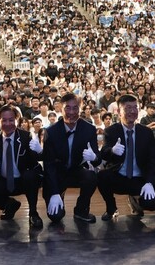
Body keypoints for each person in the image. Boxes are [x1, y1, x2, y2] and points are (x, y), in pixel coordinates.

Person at [0, 104, 43, 229]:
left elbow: (34, 160)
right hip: (3, 179)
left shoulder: (25, 136)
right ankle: (9, 205)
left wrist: (39, 151)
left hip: (23, 179)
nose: (8, 123)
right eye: (4, 120)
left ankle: (33, 213)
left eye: (11, 120)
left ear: (16, 120)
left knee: (30, 176)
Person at [99, 94, 155, 221]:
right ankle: (111, 208)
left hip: (138, 178)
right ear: (119, 112)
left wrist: (150, 182)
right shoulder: (111, 131)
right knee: (102, 176)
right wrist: (112, 151)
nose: (132, 111)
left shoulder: (146, 132)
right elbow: (104, 152)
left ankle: (135, 201)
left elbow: (153, 160)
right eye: (127, 108)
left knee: (152, 204)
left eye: (135, 107)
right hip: (118, 175)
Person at [42, 92, 100, 223]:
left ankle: (81, 210)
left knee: (91, 176)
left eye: (75, 108)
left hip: (77, 170)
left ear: (80, 109)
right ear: (60, 109)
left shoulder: (89, 129)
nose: (72, 112)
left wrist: (94, 157)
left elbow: (98, 159)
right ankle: (57, 196)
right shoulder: (51, 132)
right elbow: (49, 164)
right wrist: (55, 192)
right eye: (67, 108)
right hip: (57, 172)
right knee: (55, 216)